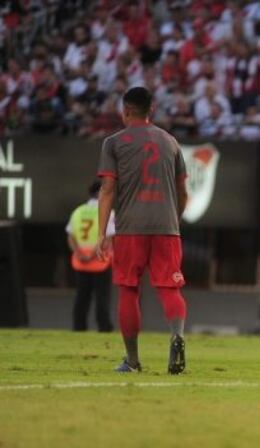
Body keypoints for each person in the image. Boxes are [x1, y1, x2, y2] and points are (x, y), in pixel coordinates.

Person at [96, 86, 189, 374]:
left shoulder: (113, 143)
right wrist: (174, 218)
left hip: (130, 229)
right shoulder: (171, 142)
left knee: (128, 289)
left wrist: (102, 234)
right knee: (170, 288)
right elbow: (183, 191)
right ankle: (177, 336)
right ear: (152, 110)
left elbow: (108, 188)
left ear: (125, 110)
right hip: (166, 227)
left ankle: (133, 361)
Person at [67, 180, 114, 332]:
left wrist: (80, 253)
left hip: (81, 262)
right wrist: (93, 254)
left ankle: (78, 328)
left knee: (81, 298)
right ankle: (104, 328)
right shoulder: (108, 211)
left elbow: (71, 236)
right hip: (100, 262)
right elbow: (108, 238)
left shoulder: (78, 211)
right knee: (102, 298)